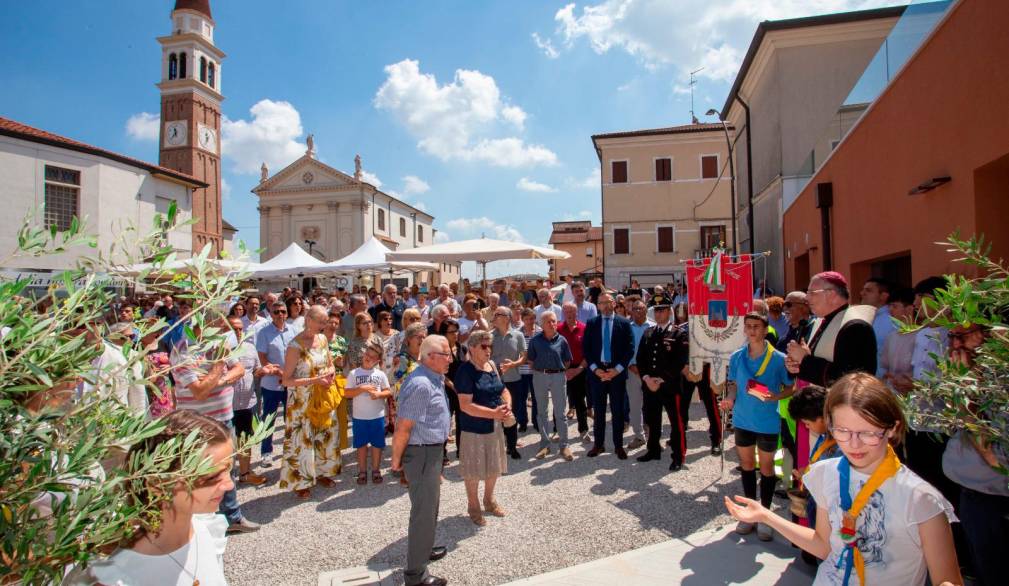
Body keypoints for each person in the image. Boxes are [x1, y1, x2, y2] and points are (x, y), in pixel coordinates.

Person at [725, 372, 962, 586]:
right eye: (843, 431)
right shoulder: (824, 473)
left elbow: (947, 579)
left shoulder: (922, 500)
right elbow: (824, 545)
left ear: (892, 428)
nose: (854, 444)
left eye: (868, 432)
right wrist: (765, 515)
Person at [73, 411, 234, 586]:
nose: (229, 485)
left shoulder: (207, 528)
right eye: (212, 477)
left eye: (229, 470)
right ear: (158, 485)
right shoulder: (116, 577)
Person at [170, 320, 258, 535]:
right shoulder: (183, 351)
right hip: (196, 425)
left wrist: (216, 381)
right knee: (199, 471)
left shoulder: (219, 343)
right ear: (203, 324)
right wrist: (219, 365)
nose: (224, 329)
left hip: (224, 417)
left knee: (226, 469)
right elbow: (199, 391)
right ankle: (200, 523)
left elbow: (239, 370)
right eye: (219, 324)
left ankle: (232, 516)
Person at [721, 311, 795, 541]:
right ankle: (749, 514)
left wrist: (776, 396)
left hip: (766, 420)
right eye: (748, 326)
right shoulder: (737, 356)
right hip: (742, 418)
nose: (751, 330)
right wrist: (730, 399)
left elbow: (791, 387)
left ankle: (765, 514)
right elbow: (732, 384)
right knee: (746, 465)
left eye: (756, 326)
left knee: (766, 468)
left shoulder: (779, 358)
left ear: (765, 329)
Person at [391, 335, 453, 586]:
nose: (451, 358)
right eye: (446, 354)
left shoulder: (432, 378)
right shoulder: (421, 384)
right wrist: (396, 462)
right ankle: (416, 575)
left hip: (432, 452)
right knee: (423, 513)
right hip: (422, 453)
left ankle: (424, 549)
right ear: (429, 357)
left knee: (431, 508)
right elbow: (403, 427)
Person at [279, 306, 340, 499]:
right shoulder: (295, 346)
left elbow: (330, 363)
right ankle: (300, 481)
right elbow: (286, 380)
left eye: (325, 322)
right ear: (308, 320)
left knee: (325, 434)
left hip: (322, 396)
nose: (324, 326)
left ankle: (322, 472)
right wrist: (314, 380)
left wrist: (330, 374)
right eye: (321, 322)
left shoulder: (322, 339)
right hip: (301, 401)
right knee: (301, 439)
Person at [455, 330, 512, 526]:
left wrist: (508, 405)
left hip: (494, 426)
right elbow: (465, 405)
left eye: (490, 346)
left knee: (493, 465)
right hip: (474, 428)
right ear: (472, 348)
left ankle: (489, 500)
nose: (489, 350)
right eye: (484, 346)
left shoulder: (492, 366)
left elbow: (503, 389)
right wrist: (494, 413)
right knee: (473, 470)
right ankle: (473, 505)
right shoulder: (465, 371)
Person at [785, 271, 877, 386]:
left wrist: (804, 359)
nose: (807, 298)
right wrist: (795, 366)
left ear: (832, 295)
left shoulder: (856, 327)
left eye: (812, 293)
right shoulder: (821, 321)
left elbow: (851, 379)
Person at [635, 303, 691, 471]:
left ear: (669, 312)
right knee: (652, 420)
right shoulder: (649, 332)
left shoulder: (678, 333)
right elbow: (641, 358)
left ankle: (678, 456)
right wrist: (646, 378)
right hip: (650, 386)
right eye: (656, 310)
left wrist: (660, 379)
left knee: (676, 422)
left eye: (662, 310)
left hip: (670, 386)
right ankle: (653, 450)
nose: (659, 314)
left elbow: (680, 361)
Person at [582, 293, 635, 459]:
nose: (605, 306)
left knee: (617, 411)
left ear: (614, 303)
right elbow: (587, 349)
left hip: (616, 374)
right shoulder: (591, 323)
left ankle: (618, 446)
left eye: (607, 302)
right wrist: (595, 370)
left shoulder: (624, 323)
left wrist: (617, 370)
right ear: (597, 305)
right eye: (601, 303)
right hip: (597, 373)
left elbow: (630, 348)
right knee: (598, 411)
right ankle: (599, 445)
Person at [526, 311, 574, 461]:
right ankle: (544, 445)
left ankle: (564, 445)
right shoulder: (535, 341)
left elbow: (567, 361)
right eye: (548, 322)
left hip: (558, 376)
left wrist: (557, 371)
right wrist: (543, 371)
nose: (552, 324)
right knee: (542, 412)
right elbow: (531, 361)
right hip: (540, 376)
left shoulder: (563, 340)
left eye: (554, 321)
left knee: (560, 412)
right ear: (542, 324)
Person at [226, 316, 267, 486]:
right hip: (226, 404)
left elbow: (256, 370)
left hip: (246, 402)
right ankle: (226, 476)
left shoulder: (250, 347)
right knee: (226, 442)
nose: (237, 332)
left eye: (239, 328)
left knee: (245, 439)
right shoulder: (219, 351)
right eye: (232, 328)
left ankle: (245, 473)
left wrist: (264, 370)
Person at [346, 341, 393, 485]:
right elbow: (347, 393)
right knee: (361, 445)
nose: (368, 358)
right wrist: (362, 389)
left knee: (377, 445)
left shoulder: (380, 374)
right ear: (363, 354)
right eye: (367, 354)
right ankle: (362, 471)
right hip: (359, 417)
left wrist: (379, 395)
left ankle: (376, 470)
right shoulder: (354, 373)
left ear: (377, 361)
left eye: (373, 357)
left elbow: (388, 391)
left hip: (377, 416)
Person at [255, 301, 296, 463]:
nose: (280, 315)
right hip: (272, 383)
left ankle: (291, 449)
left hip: (290, 383)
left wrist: (289, 375)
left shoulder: (293, 330)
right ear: (271, 314)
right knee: (269, 419)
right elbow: (262, 358)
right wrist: (279, 372)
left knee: (291, 418)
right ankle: (266, 452)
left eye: (283, 312)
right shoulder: (264, 332)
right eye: (277, 312)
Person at [489, 308, 524, 459]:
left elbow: (524, 357)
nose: (494, 317)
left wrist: (513, 364)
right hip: (494, 382)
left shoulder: (518, 335)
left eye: (497, 315)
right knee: (495, 415)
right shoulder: (489, 337)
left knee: (511, 414)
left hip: (513, 380)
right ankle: (497, 447)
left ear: (507, 318)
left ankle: (512, 446)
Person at [558, 303, 590, 443]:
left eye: (572, 311)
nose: (570, 314)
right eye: (567, 312)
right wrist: (565, 370)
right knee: (559, 402)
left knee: (580, 401)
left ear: (577, 313)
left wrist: (578, 369)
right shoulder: (558, 329)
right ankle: (557, 430)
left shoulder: (585, 328)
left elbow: (589, 352)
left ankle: (583, 429)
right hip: (561, 369)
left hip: (580, 369)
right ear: (563, 313)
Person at [625, 298, 653, 451]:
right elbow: (623, 350)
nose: (637, 311)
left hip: (651, 373)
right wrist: (631, 365)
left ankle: (653, 437)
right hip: (632, 371)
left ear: (646, 310)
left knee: (652, 405)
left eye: (640, 308)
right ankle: (639, 436)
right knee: (635, 406)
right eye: (634, 309)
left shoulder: (654, 327)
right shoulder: (626, 328)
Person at [324, 308, 350, 451]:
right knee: (327, 415)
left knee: (341, 416)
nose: (333, 325)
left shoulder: (341, 341)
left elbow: (344, 362)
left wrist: (340, 362)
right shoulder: (318, 339)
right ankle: (326, 447)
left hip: (339, 379)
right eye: (330, 322)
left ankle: (340, 447)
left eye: (336, 323)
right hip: (323, 380)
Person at [860, 278, 894, 377]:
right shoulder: (864, 317)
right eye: (863, 290)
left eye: (868, 290)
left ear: (883, 296)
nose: (862, 293)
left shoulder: (891, 321)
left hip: (885, 382)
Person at [517, 307, 539, 432]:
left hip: (537, 372)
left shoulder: (541, 332)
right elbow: (516, 353)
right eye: (526, 319)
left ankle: (536, 422)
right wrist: (527, 360)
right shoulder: (518, 333)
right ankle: (523, 422)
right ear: (522, 320)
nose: (530, 321)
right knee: (521, 398)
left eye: (531, 318)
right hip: (522, 371)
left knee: (537, 398)